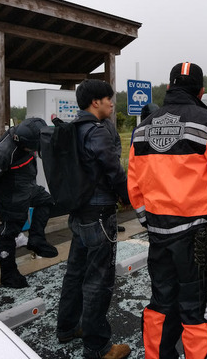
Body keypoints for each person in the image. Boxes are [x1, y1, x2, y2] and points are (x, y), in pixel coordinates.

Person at [128, 62, 207, 359]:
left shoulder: (142, 127)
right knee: (197, 310)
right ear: (201, 92)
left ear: (168, 87)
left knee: (161, 303)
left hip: (158, 232)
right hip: (197, 235)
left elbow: (134, 182)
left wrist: (147, 218)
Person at [56, 79, 131, 359]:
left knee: (75, 273)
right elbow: (113, 170)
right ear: (95, 102)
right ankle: (98, 346)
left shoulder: (72, 128)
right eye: (108, 99)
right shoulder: (96, 131)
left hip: (79, 213)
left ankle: (67, 327)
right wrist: (128, 198)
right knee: (99, 280)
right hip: (99, 214)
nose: (112, 103)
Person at [0, 117, 58, 289]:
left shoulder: (27, 136)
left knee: (47, 201)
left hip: (27, 187)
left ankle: (37, 239)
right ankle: (9, 274)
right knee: (9, 232)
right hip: (11, 195)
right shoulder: (5, 150)